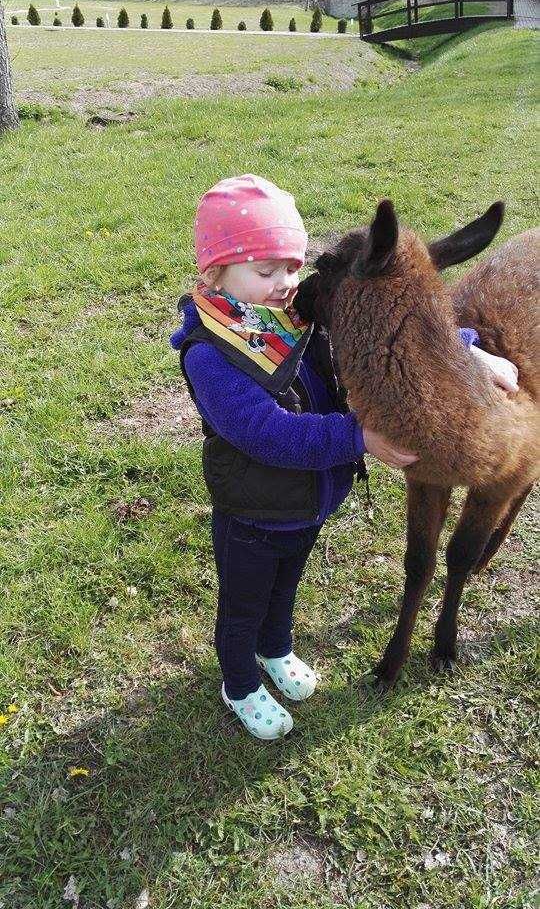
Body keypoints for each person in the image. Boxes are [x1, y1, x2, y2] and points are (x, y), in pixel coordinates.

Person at [170, 174, 518, 741]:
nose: (287, 283)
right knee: (243, 605)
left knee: (285, 589)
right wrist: (357, 438)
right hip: (252, 514)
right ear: (215, 273)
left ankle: (276, 649)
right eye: (267, 271)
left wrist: (472, 356)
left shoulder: (282, 315)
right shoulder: (210, 353)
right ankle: (239, 681)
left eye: (292, 265)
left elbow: (394, 327)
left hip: (305, 503)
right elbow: (264, 433)